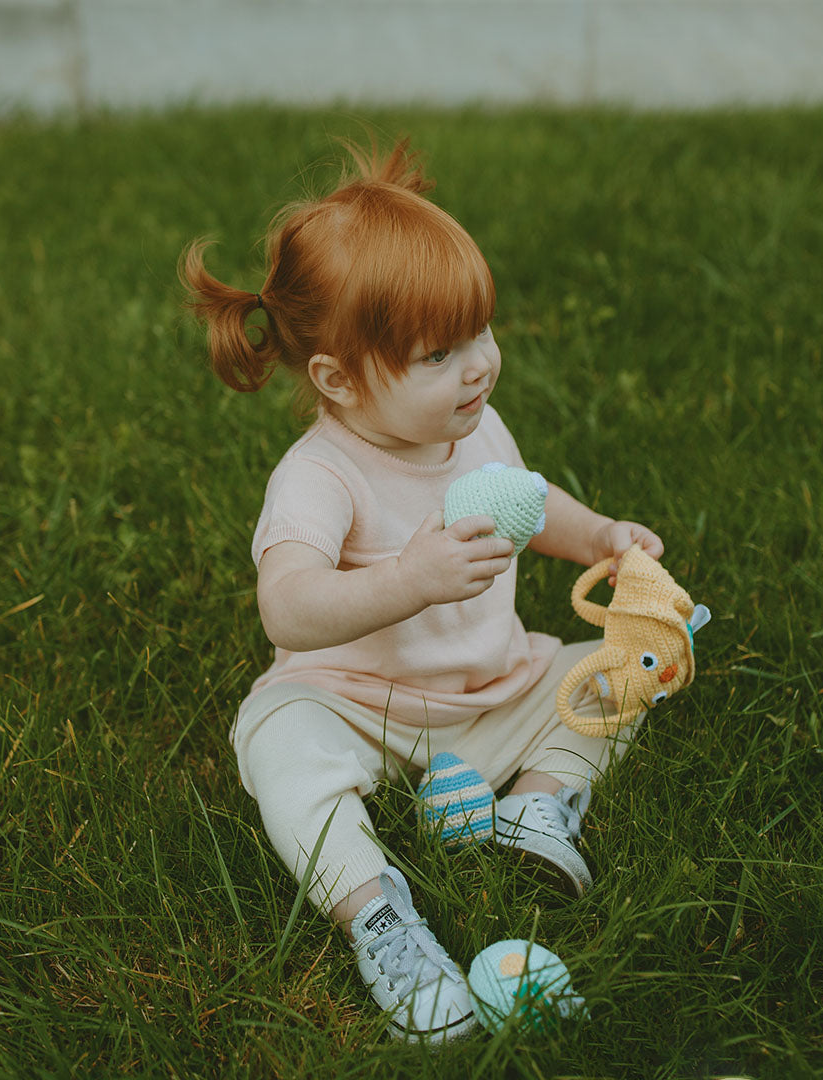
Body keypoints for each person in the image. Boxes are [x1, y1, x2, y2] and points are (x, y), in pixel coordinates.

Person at [180, 138, 663, 1043]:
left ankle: (536, 802)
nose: (477, 365)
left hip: (493, 689)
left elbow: (532, 502)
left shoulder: (473, 427)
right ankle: (379, 915)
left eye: (479, 332)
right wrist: (407, 578)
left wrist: (599, 535)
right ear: (339, 378)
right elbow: (287, 605)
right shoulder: (320, 475)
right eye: (437, 353)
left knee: (627, 663)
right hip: (357, 703)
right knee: (275, 743)